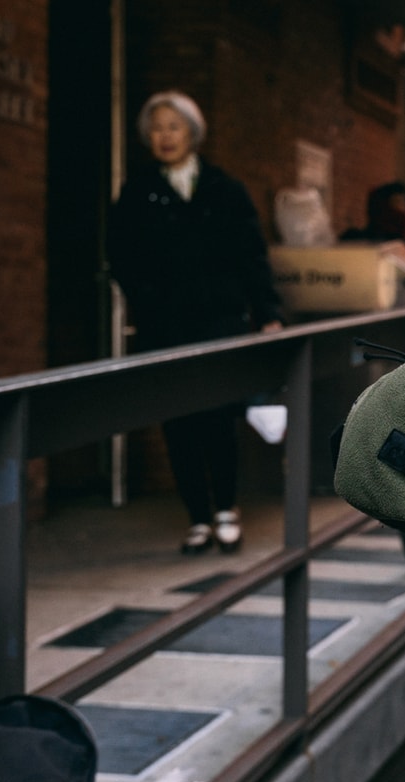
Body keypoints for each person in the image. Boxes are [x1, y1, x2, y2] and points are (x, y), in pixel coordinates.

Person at [108, 90, 284, 555]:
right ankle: (198, 518)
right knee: (179, 422)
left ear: (192, 133)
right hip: (164, 328)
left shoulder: (225, 189)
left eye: (174, 127)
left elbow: (252, 256)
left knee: (219, 418)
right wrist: (144, 303)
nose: (164, 136)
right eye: (156, 128)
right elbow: (121, 256)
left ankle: (226, 509)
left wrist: (267, 314)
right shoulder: (138, 191)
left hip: (220, 323)